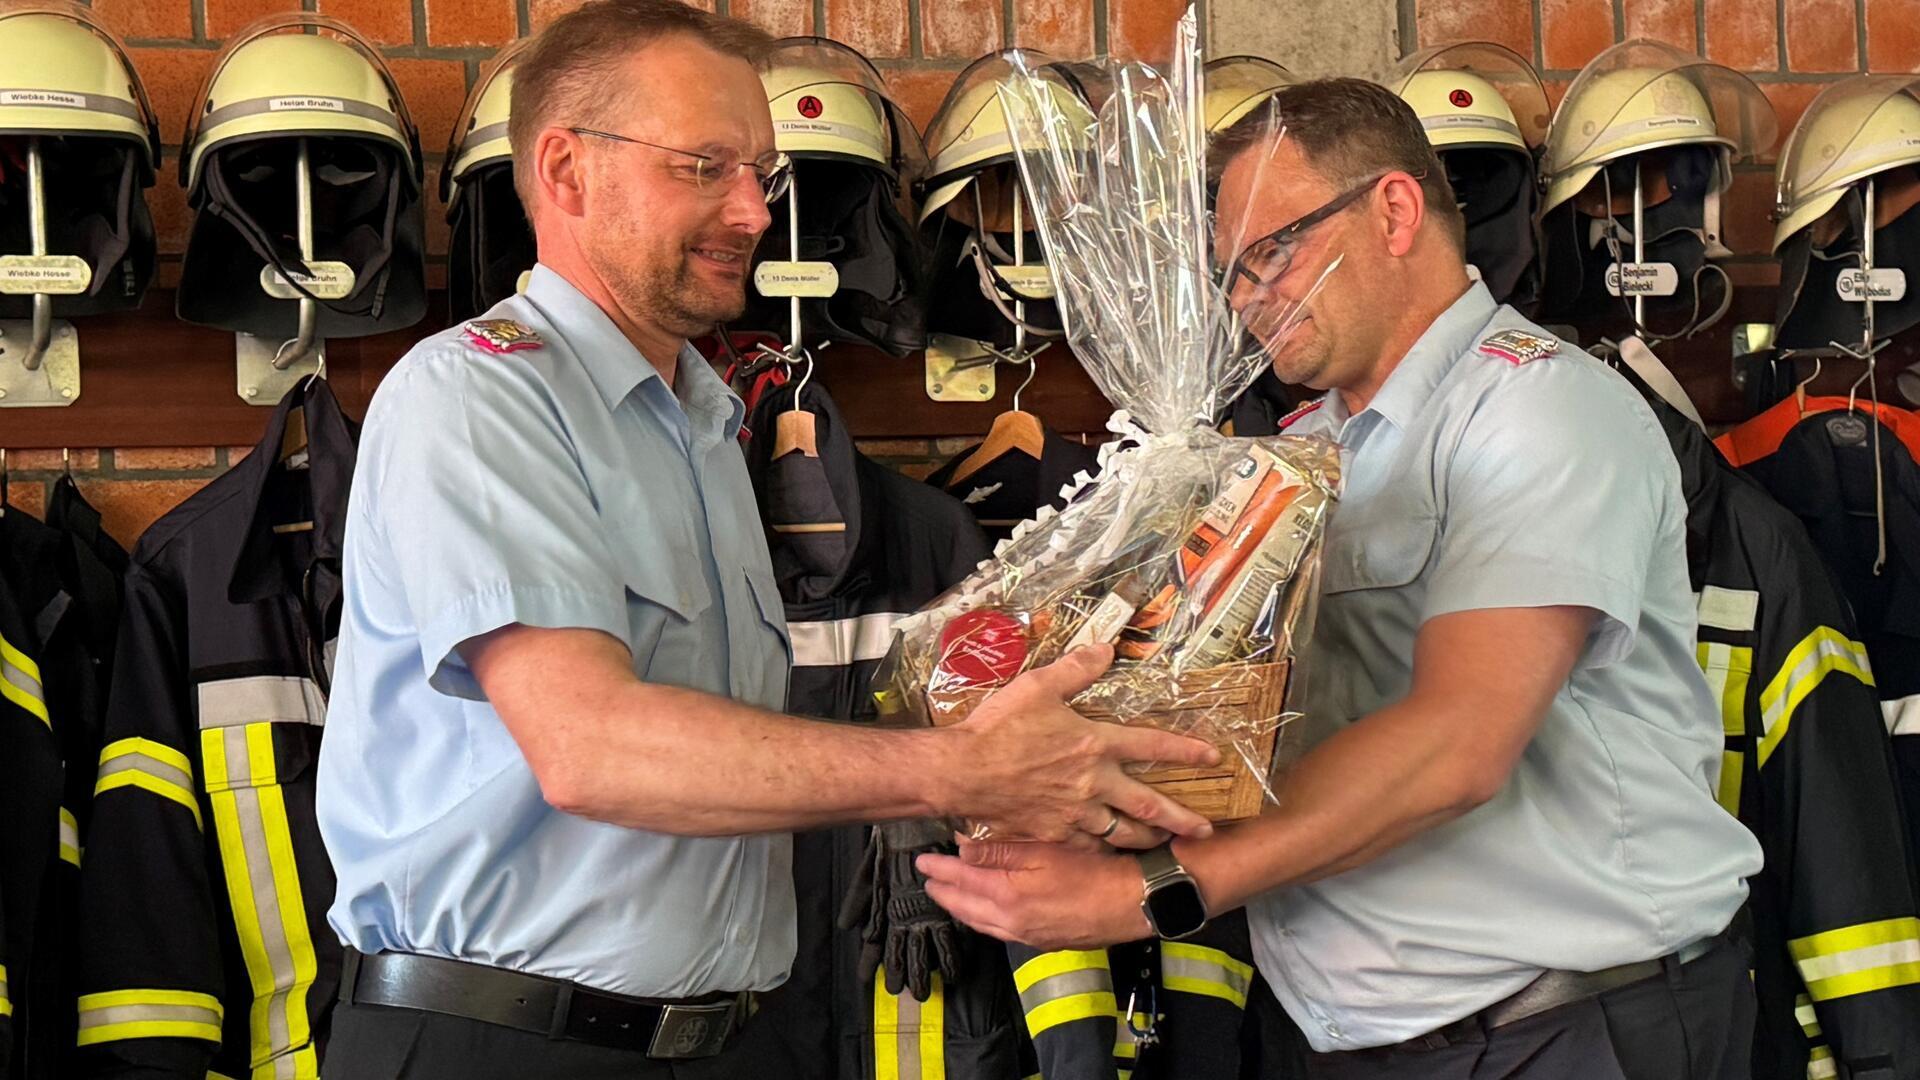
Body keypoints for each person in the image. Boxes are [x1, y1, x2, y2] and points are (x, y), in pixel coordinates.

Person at [313, 3, 1222, 1076]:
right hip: (507, 1043)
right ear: (565, 172)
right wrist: (963, 771)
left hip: (724, 1038)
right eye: (705, 166)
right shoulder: (479, 397)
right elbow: (590, 748)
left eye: (762, 173)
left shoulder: (701, 422)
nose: (752, 210)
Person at [918, 77, 1766, 1080]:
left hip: (1561, 1033)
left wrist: (1155, 888)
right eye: (1228, 274)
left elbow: (1458, 746)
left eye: (1269, 254)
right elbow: (1242, 738)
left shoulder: (1537, 412)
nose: (1244, 300)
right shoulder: (1297, 457)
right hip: (1355, 1042)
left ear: (1395, 212)